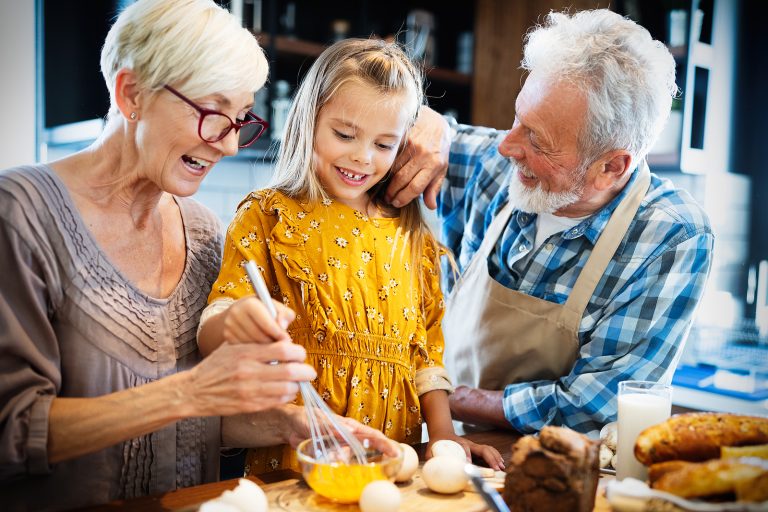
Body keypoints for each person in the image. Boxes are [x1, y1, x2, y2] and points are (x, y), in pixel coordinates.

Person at [0, 2, 393, 511]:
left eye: (240, 118)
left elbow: (192, 421)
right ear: (131, 94)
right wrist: (193, 392)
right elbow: (11, 430)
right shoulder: (21, 214)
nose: (229, 145)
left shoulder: (205, 231)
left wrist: (291, 423)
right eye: (213, 113)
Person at [385, 9, 714, 436]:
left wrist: (439, 398)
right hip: (447, 449)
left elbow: (595, 403)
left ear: (611, 167)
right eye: (518, 117)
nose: (507, 145)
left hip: (558, 474)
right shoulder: (495, 166)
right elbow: (388, 126)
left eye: (537, 139)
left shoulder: (671, 236)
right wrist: (423, 120)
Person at [197, 38, 504, 474]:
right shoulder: (267, 215)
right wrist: (234, 322)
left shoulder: (411, 235)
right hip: (297, 458)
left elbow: (426, 361)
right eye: (344, 134)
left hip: (394, 460)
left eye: (385, 145)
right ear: (309, 121)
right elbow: (212, 328)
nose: (362, 156)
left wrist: (444, 438)